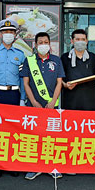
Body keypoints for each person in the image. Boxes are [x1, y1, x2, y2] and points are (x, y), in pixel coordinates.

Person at [0, 19, 26, 179]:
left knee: (13, 131)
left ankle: (12, 164)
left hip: (14, 94)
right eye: (5, 32)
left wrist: (22, 98)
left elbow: (23, 79)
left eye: (11, 32)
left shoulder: (20, 55)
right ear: (0, 34)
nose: (8, 34)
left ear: (15, 35)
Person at [21, 32, 65, 180]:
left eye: (46, 42)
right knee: (33, 136)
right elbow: (26, 83)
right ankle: (34, 167)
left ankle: (52, 166)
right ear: (35, 45)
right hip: (34, 105)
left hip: (52, 105)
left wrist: (53, 101)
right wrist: (33, 101)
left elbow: (60, 82)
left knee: (51, 137)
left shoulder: (56, 60)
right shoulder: (29, 61)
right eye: (40, 42)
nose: (43, 44)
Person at [61, 29, 95, 111]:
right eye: (77, 39)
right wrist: (65, 85)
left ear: (87, 41)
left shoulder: (93, 58)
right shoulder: (65, 58)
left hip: (89, 102)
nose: (80, 42)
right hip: (70, 102)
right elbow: (59, 79)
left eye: (83, 39)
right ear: (72, 41)